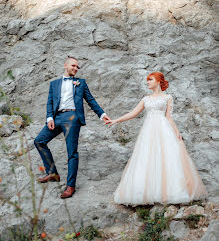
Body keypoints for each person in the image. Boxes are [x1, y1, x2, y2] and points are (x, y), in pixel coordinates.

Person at [108, 72, 208, 206]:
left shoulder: (168, 98)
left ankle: (169, 192)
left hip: (164, 130)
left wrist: (177, 131)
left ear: (159, 81)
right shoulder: (146, 99)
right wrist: (116, 120)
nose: (148, 82)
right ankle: (146, 193)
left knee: (167, 159)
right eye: (147, 80)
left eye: (150, 80)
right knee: (147, 158)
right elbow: (133, 113)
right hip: (148, 132)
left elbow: (169, 117)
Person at [34, 56, 110, 199]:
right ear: (65, 65)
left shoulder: (80, 83)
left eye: (77, 67)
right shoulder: (54, 84)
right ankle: (52, 173)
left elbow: (91, 100)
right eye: (73, 66)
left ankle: (70, 186)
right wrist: (49, 117)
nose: (75, 68)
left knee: (71, 152)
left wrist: (102, 114)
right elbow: (50, 102)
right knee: (39, 141)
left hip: (72, 118)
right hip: (56, 118)